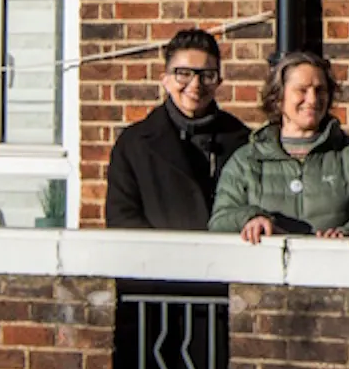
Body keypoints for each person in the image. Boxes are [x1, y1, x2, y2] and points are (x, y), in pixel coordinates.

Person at [209, 51, 349, 242]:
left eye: (320, 90)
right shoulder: (246, 160)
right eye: (302, 90)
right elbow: (220, 220)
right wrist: (250, 218)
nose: (312, 99)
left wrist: (347, 233)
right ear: (278, 98)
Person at [105, 28, 249, 229]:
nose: (196, 84)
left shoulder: (243, 142)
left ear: (219, 82)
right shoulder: (134, 145)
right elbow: (122, 217)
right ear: (165, 80)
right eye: (183, 74)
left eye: (207, 75)